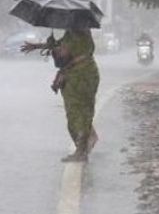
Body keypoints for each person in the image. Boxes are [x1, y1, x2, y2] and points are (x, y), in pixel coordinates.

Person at [21, 28, 100, 162]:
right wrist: (39, 46)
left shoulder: (79, 33)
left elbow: (64, 52)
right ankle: (85, 143)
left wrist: (54, 48)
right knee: (79, 112)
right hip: (77, 75)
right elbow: (61, 47)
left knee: (78, 114)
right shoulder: (73, 32)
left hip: (81, 76)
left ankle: (81, 150)